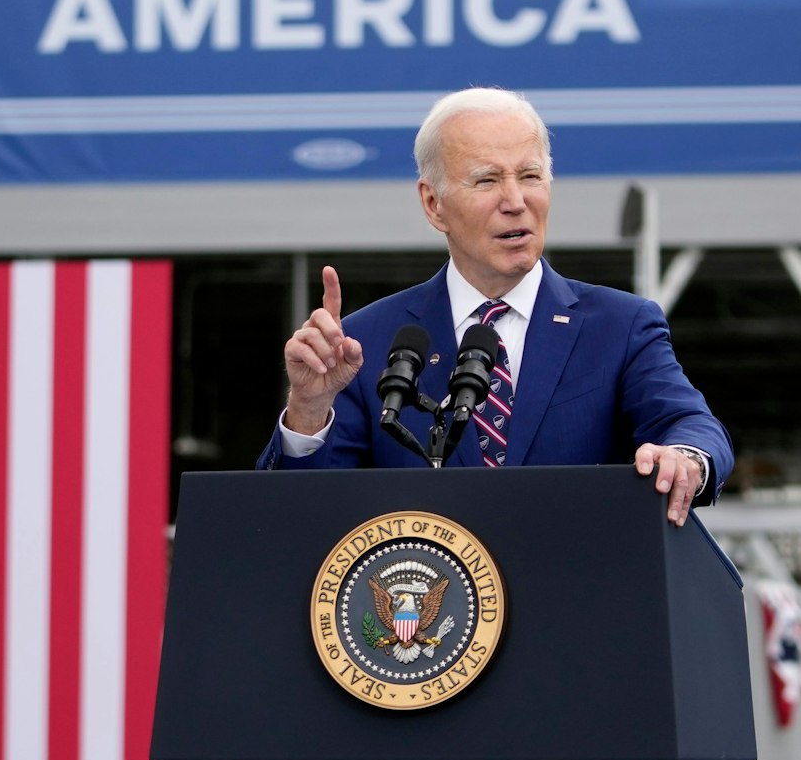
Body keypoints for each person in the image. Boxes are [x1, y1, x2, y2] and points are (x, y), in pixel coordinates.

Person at [260, 87, 732, 526]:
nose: (515, 201)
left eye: (530, 176)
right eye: (487, 180)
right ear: (433, 204)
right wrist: (309, 408)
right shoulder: (365, 345)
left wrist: (685, 457)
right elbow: (302, 515)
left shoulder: (620, 326)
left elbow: (688, 423)